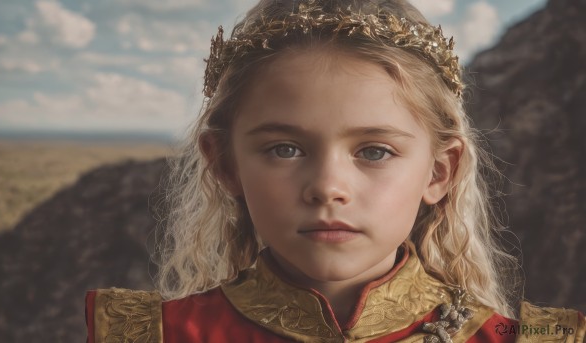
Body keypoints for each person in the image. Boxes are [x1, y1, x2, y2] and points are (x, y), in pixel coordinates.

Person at [85, 0, 585, 342]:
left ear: (439, 171)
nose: (327, 188)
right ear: (225, 164)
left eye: (374, 152)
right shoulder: (149, 334)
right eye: (284, 149)